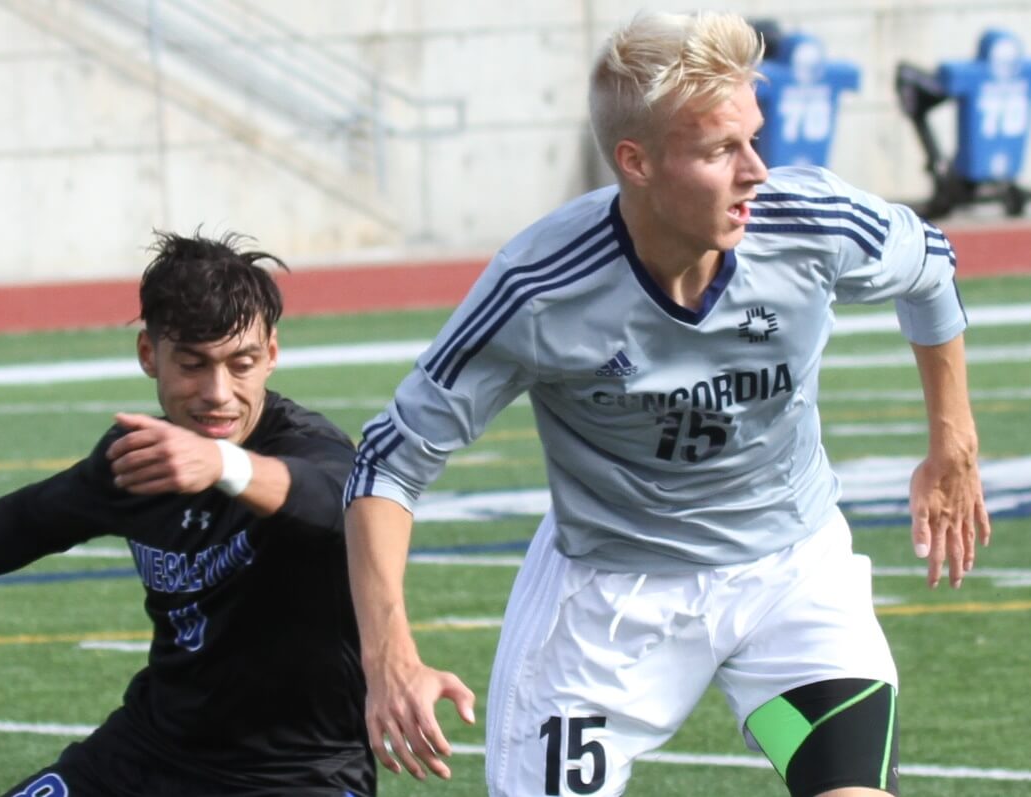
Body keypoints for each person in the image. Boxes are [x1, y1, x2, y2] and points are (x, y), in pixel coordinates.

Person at [343, 11, 992, 797]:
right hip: (609, 604)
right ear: (636, 161)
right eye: (721, 149)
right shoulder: (538, 289)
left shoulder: (811, 223)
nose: (756, 169)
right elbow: (386, 464)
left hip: (791, 574)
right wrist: (389, 657)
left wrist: (952, 442)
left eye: (755, 137)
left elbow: (929, 266)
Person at [0, 232, 374, 797]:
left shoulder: (308, 447)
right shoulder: (138, 456)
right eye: (192, 364)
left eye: (243, 364)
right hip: (150, 752)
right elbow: (26, 522)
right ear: (148, 354)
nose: (219, 392)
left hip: (296, 774)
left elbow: (340, 500)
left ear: (273, 355)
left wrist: (221, 464)